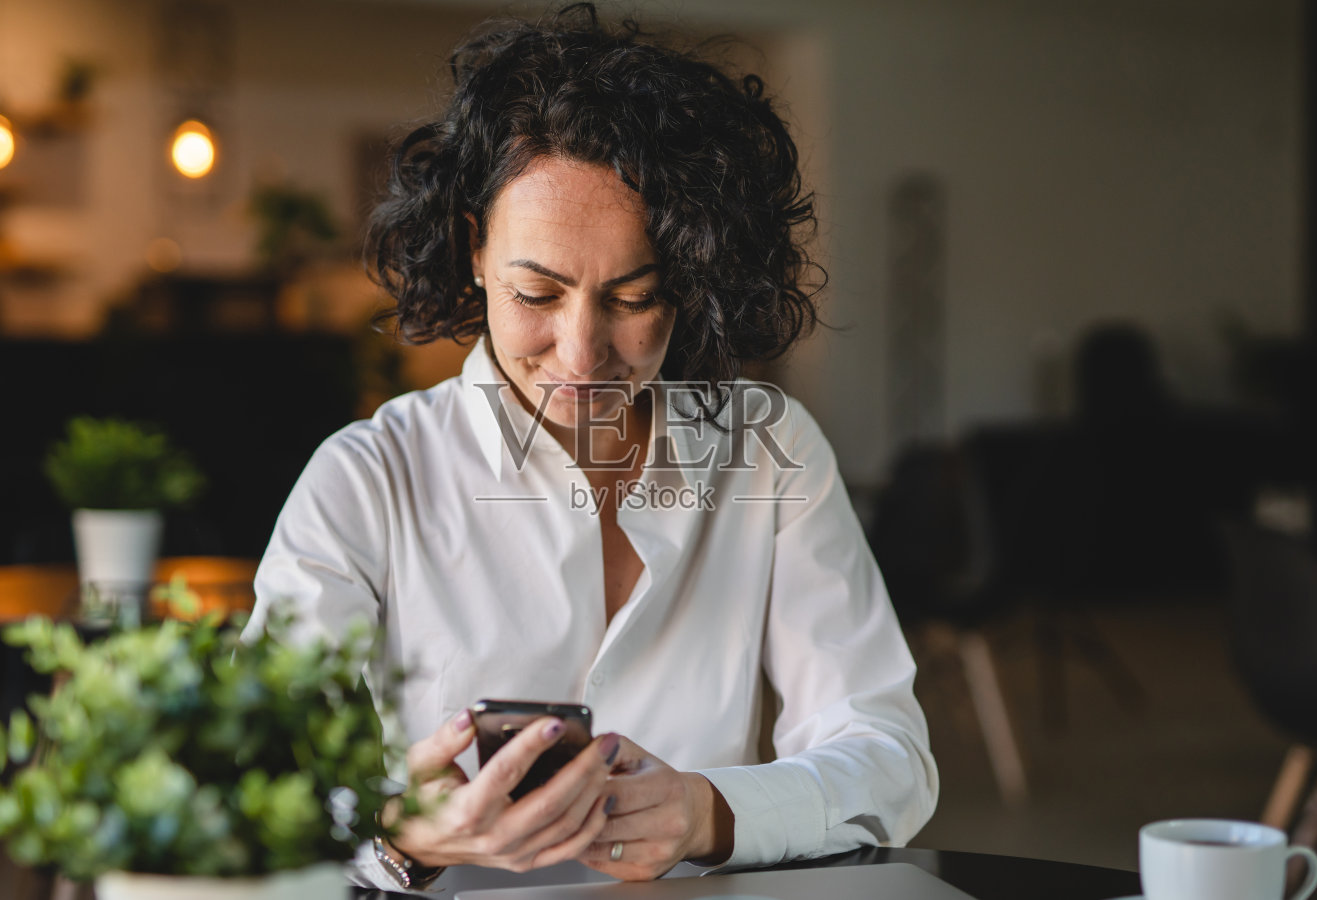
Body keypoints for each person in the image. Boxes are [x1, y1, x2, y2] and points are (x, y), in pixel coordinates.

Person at [249, 5, 938, 892]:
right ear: (473, 251)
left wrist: (707, 811)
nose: (582, 354)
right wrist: (403, 837)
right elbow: (260, 796)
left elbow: (887, 755)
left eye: (633, 297)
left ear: (691, 277)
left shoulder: (767, 452)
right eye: (537, 292)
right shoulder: (364, 482)